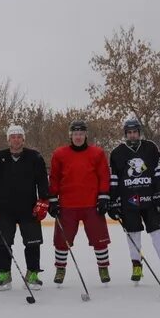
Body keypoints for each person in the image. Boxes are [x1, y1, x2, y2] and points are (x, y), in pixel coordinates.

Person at [108, 116, 160, 283]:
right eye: (129, 132)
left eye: (135, 132)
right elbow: (114, 179)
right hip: (128, 201)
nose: (132, 135)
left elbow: (158, 173)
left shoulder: (151, 148)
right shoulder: (117, 153)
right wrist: (113, 201)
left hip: (150, 199)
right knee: (133, 233)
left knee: (158, 232)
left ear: (139, 133)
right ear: (125, 134)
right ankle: (136, 264)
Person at [0, 124, 49, 290]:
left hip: (29, 208)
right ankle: (5, 274)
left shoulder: (35, 157)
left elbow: (42, 182)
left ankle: (32, 273)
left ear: (23, 139)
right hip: (5, 210)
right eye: (13, 136)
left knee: (33, 242)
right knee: (3, 242)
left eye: (19, 136)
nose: (16, 139)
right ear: (8, 139)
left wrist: (43, 202)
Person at [49, 119, 112, 284]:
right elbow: (54, 178)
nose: (78, 137)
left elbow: (104, 175)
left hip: (92, 204)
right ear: (70, 135)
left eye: (81, 134)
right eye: (75, 134)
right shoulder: (59, 154)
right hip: (67, 205)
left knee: (99, 238)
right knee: (62, 240)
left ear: (86, 135)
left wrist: (103, 196)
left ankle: (103, 267)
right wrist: (53, 199)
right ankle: (60, 269)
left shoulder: (97, 153)